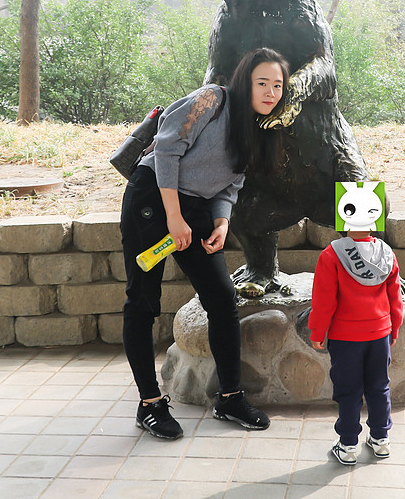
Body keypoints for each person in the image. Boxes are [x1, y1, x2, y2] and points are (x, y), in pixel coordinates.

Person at [121, 46, 290, 440]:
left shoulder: (258, 128)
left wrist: (221, 222)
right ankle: (149, 404)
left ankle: (230, 398)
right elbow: (166, 151)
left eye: (277, 85)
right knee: (142, 300)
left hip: (196, 210)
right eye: (262, 82)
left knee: (222, 298)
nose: (270, 92)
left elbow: (231, 184)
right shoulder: (210, 99)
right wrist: (174, 218)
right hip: (152, 200)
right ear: (245, 80)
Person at [309, 184, 403, 465]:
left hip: (345, 337)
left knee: (349, 390)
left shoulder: (331, 255)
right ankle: (381, 439)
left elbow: (324, 301)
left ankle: (348, 444)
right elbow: (395, 298)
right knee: (378, 386)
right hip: (380, 334)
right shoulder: (386, 253)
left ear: (343, 214)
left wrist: (317, 331)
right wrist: (394, 328)